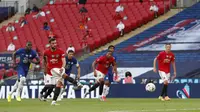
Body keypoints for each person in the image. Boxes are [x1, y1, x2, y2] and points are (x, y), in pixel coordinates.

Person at [41, 38, 82, 105]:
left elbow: (64, 61)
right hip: (52, 69)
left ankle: (53, 101)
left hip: (60, 68)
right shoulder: (46, 52)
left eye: (55, 43)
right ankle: (77, 83)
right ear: (50, 44)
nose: (55, 44)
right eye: (53, 43)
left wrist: (62, 67)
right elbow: (45, 61)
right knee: (64, 76)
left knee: (58, 84)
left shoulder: (60, 51)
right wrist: (45, 69)